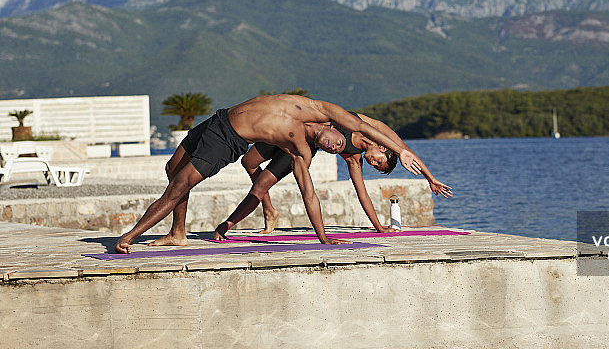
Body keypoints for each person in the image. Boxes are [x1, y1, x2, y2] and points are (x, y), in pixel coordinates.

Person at [113, 94, 423, 253]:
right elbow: (365, 126)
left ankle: (131, 235)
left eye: (335, 149)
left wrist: (324, 238)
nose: (334, 146)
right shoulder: (316, 108)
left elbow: (310, 195)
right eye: (337, 141)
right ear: (333, 127)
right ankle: (177, 233)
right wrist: (403, 149)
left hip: (228, 141)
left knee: (180, 185)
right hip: (217, 120)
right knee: (172, 168)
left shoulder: (300, 151)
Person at [212, 112, 453, 239]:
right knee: (249, 161)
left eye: (376, 168)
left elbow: (363, 194)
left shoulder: (353, 158)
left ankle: (226, 225)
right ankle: (269, 210)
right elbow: (405, 149)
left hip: (301, 147)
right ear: (382, 148)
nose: (373, 163)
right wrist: (429, 177)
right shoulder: (368, 125)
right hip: (289, 130)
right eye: (379, 162)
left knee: (262, 185)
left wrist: (379, 227)